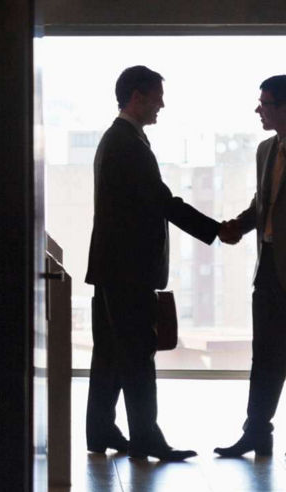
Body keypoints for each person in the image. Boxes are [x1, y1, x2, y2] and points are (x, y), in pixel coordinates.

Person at [84, 65, 223, 461]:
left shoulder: (120, 139)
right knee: (137, 354)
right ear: (137, 96)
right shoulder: (126, 143)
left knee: (110, 353)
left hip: (113, 269)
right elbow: (162, 201)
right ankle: (146, 438)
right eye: (157, 95)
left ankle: (101, 430)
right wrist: (215, 230)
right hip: (128, 272)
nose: (162, 103)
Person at [214, 75, 286, 457]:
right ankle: (257, 431)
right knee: (266, 354)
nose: (259, 110)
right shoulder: (265, 150)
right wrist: (238, 227)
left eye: (266, 103)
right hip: (269, 267)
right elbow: (264, 203)